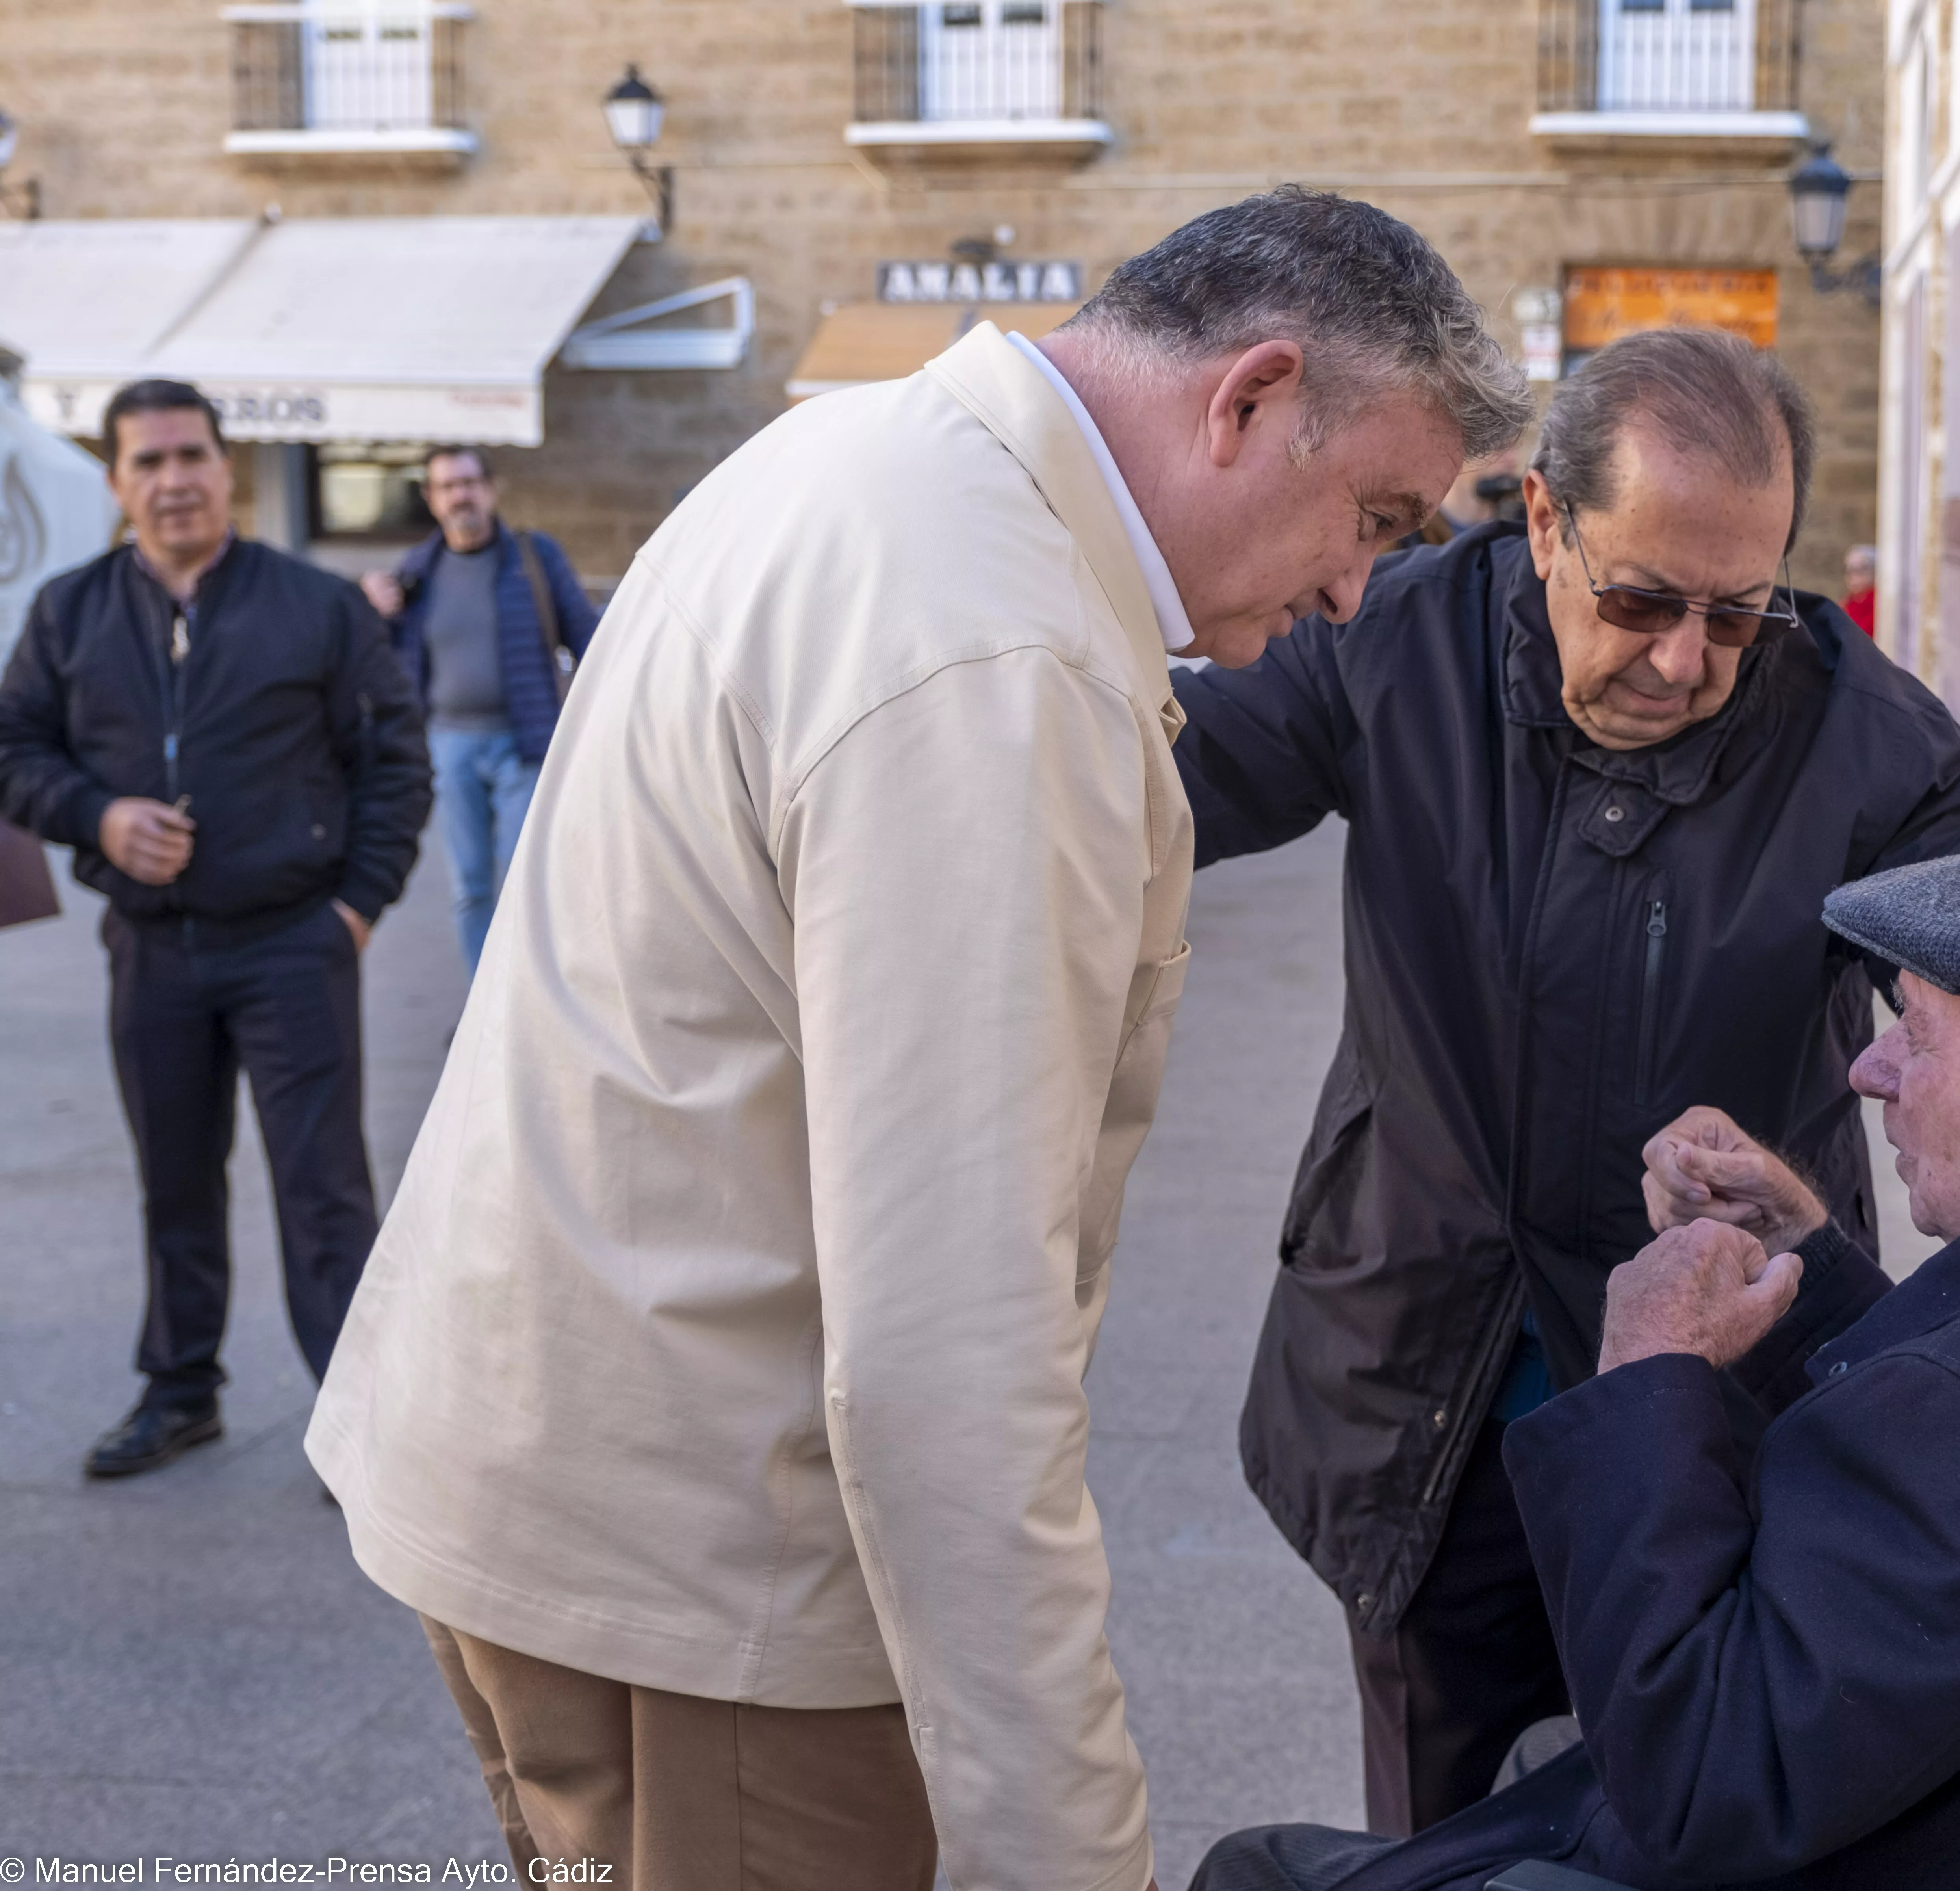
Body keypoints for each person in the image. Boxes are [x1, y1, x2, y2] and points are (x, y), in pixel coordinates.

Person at [304, 188, 1527, 1891]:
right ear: (1247, 397)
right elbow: (941, 1354)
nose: (1354, 594)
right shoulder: (996, 653)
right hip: (713, 1581)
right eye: (1374, 517)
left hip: (540, 1470)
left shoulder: (859, 456)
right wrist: (1068, 1843)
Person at [1191, 838, 1960, 1891]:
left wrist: (1647, 1372)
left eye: (1916, 1029)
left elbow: (1696, 1778)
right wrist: (1811, 1272)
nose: (1869, 1071)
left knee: (1259, 1867)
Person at [1169, 325, 1960, 1834]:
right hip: (1417, 1380)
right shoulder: (1396, 640)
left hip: (1724, 1398)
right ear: (1544, 521)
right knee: (1443, 1838)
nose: (1683, 659)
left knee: (1714, 1819)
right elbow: (1132, 786)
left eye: (1734, 614)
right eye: (1636, 600)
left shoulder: (1862, 738)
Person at [0, 378, 431, 1479]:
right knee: (175, 1177)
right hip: (153, 949)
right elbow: (14, 752)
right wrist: (97, 813)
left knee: (323, 1187)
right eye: (148, 462)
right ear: (116, 482)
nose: (174, 480)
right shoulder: (69, 614)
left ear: (226, 467)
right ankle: (180, 1390)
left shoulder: (316, 606)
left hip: (296, 939)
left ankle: (356, 1422)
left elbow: (395, 762)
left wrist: (356, 909)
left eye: (191, 456)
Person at [358, 446, 600, 973]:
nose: (460, 496)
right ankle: (481, 1014)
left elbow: (589, 636)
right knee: (470, 888)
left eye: (468, 483)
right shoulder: (416, 573)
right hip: (449, 749)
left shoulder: (534, 557)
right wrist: (368, 610)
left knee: (523, 884)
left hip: (523, 744)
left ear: (490, 490)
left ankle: (526, 1011)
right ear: (431, 499)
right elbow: (376, 662)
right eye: (447, 487)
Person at [1841, 541, 1877, 637]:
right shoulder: (1849, 603)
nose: (1853, 577)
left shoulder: (1879, 604)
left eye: (1860, 571)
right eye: (1849, 571)